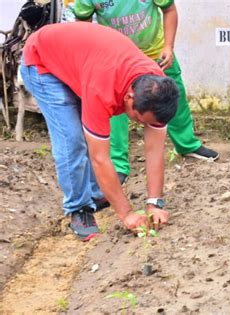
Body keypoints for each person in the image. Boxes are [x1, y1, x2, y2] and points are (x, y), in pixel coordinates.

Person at [20, 22, 179, 241]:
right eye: (138, 119)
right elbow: (100, 158)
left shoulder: (156, 90)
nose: (141, 125)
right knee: (72, 139)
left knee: (89, 137)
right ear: (129, 97)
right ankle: (79, 208)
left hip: (79, 61)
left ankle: (97, 194)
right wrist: (127, 214)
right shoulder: (102, 89)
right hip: (42, 62)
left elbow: (154, 151)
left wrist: (154, 203)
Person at [73, 0, 219, 185]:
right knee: (115, 110)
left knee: (174, 97)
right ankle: (118, 166)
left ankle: (186, 144)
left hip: (156, 54)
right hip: (117, 58)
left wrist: (168, 46)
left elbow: (169, 9)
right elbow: (83, 27)